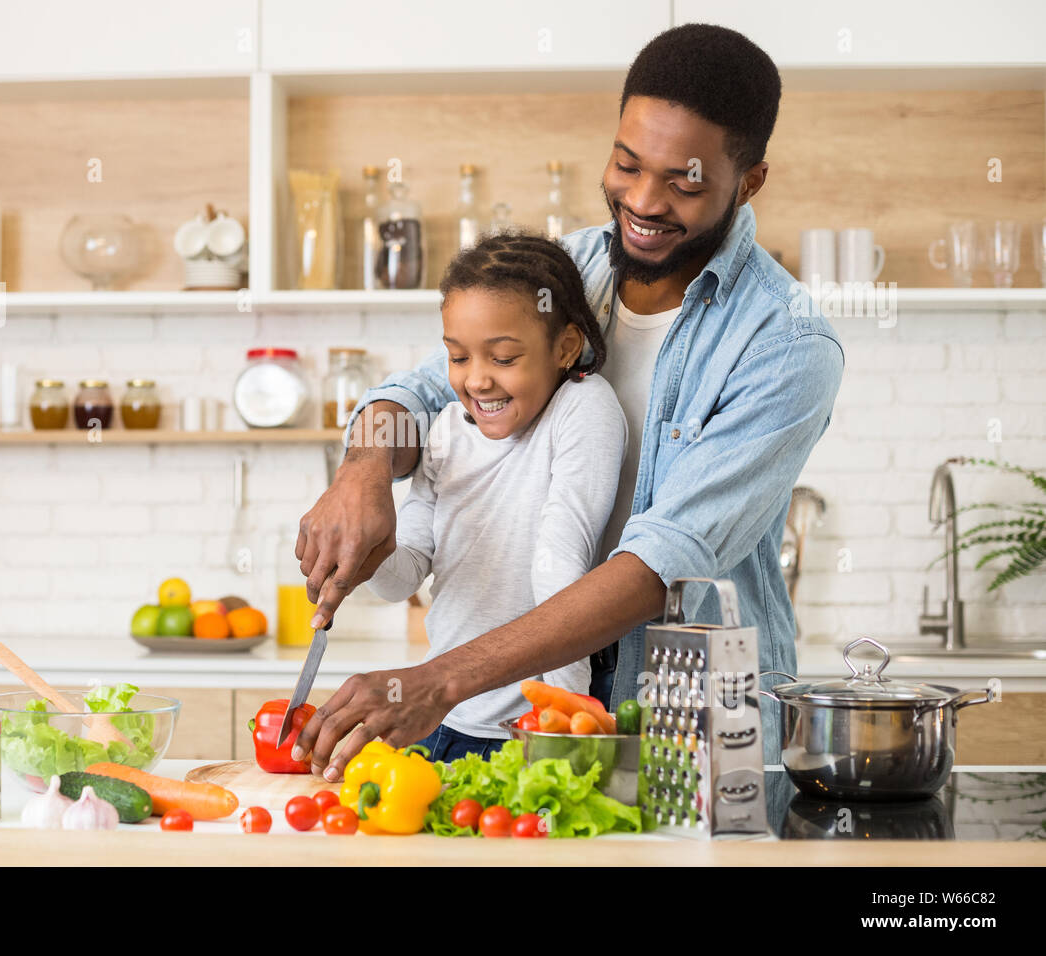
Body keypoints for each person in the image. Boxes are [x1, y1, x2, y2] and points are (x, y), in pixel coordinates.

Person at [294, 23, 845, 780]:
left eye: (684, 181)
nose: (643, 201)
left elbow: (664, 562)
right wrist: (360, 471)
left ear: (748, 182)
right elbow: (415, 394)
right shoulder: (569, 268)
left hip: (691, 721)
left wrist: (442, 678)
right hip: (516, 709)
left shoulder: (787, 343)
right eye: (627, 164)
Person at [365, 232, 627, 763]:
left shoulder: (583, 408)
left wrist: (571, 718)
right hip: (441, 720)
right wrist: (367, 552)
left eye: (503, 358)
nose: (477, 380)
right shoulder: (444, 430)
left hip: (535, 730)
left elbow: (561, 562)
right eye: (458, 357)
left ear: (565, 347)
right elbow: (405, 576)